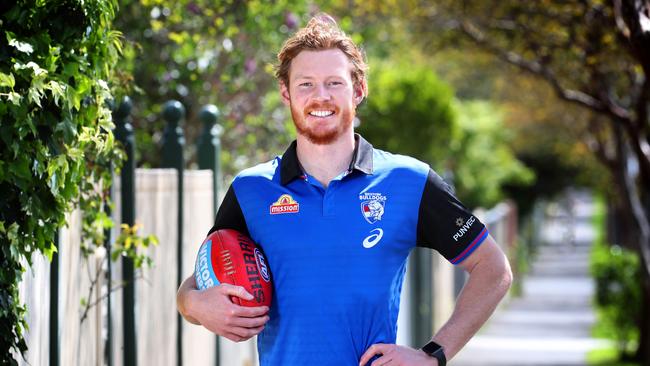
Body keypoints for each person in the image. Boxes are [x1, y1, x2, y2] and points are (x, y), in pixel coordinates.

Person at [177, 13, 512, 366]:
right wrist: (194, 304)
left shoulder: (408, 181)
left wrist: (434, 355)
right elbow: (197, 281)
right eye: (305, 84)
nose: (320, 97)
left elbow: (493, 268)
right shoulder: (251, 190)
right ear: (285, 92)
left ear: (359, 90)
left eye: (334, 83)